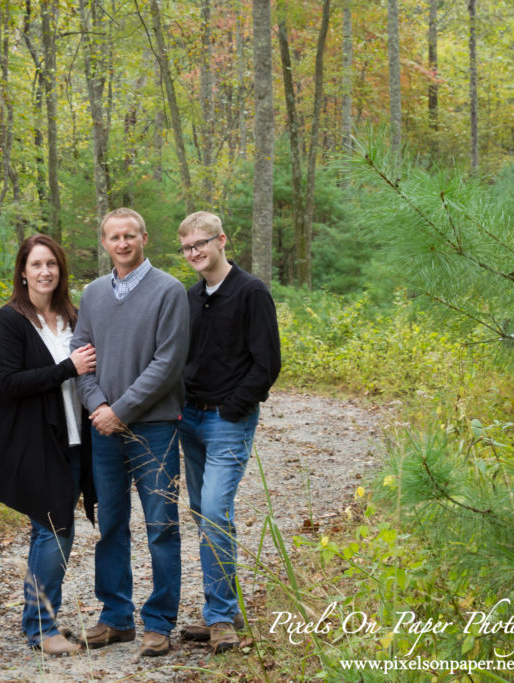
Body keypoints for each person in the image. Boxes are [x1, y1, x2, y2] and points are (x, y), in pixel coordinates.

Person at [70, 207, 190, 657]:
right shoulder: (95, 293)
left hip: (155, 428)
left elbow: (168, 363)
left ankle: (159, 622)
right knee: (111, 524)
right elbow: (79, 352)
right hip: (104, 428)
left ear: (144, 238)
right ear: (104, 243)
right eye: (114, 237)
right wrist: (98, 405)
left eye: (130, 236)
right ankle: (116, 617)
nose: (122, 243)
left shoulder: (169, 291)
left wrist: (119, 409)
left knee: (161, 525)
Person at [0, 234, 98, 656]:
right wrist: (67, 367)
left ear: (61, 270)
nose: (45, 271)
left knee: (56, 530)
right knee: (54, 530)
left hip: (75, 437)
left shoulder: (74, 316)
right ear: (22, 272)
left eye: (51, 264)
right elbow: (7, 382)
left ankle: (41, 620)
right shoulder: (10, 320)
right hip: (33, 442)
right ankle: (40, 628)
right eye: (36, 265)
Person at [175, 211, 281, 653]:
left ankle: (218, 617)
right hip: (190, 421)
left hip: (227, 421)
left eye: (201, 244)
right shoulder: (190, 296)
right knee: (206, 514)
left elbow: (267, 362)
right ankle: (228, 607)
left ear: (221, 241)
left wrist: (234, 407)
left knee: (216, 512)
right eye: (186, 248)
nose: (194, 253)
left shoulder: (251, 292)